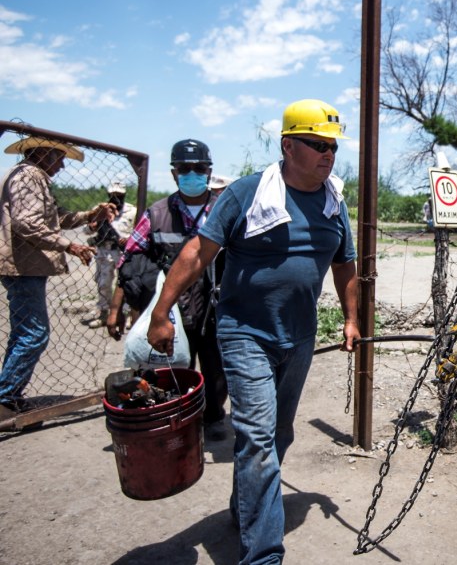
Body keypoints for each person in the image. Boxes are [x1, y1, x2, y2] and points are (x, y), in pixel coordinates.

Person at [145, 99, 359, 564]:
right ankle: (263, 555)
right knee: (258, 438)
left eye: (332, 147)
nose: (328, 155)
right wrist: (162, 312)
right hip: (245, 334)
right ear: (288, 145)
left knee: (278, 435)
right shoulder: (247, 194)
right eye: (317, 145)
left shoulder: (333, 202)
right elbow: (196, 254)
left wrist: (351, 317)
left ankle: (246, 508)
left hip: (298, 337)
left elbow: (345, 264)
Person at [106, 139, 228, 434]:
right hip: (170, 309)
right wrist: (115, 309)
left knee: (217, 369)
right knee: (172, 370)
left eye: (199, 168)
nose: (192, 173)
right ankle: (176, 421)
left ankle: (213, 416)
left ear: (209, 171)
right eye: (184, 168)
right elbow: (129, 263)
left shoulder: (224, 210)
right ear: (174, 173)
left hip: (217, 308)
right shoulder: (157, 214)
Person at [0, 137, 115, 418]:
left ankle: (8, 394)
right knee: (34, 334)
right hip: (23, 266)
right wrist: (69, 245)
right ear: (42, 154)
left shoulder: (33, 177)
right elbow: (26, 223)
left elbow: (57, 218)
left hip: (26, 266)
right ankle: (5, 399)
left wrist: (91, 214)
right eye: (59, 158)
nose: (63, 165)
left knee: (25, 332)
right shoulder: (29, 176)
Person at [82, 181, 137, 329]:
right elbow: (85, 231)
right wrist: (92, 226)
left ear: (124, 195)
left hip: (123, 252)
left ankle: (126, 315)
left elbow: (139, 232)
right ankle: (104, 314)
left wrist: (128, 240)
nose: (115, 198)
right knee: (103, 283)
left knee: (126, 284)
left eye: (119, 195)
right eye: (112, 195)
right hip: (104, 252)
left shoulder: (132, 211)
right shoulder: (100, 210)